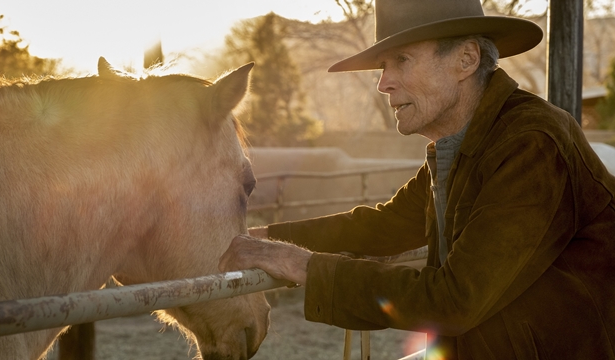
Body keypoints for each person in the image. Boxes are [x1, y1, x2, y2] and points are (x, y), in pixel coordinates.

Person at [219, 0, 615, 358]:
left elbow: (455, 300)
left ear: (466, 59)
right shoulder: (463, 145)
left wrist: (301, 265)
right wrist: (262, 239)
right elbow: (386, 224)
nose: (382, 82)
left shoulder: (531, 144)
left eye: (401, 60)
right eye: (383, 66)